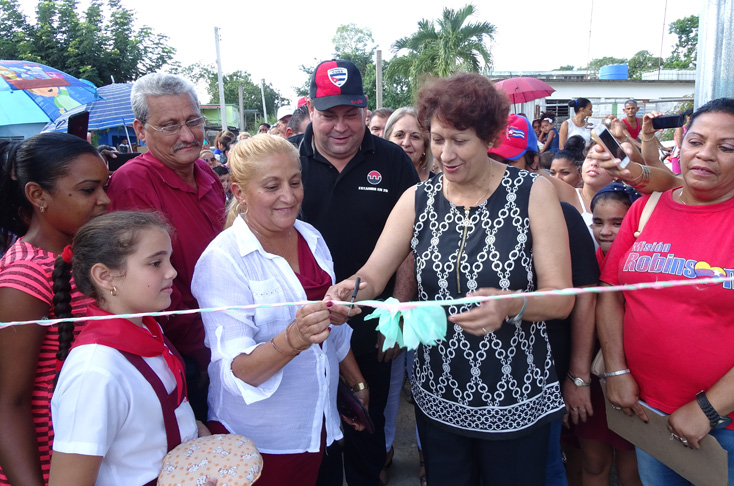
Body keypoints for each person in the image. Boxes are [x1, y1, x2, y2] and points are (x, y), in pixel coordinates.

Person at [328, 72, 574, 485]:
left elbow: (561, 297)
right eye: (437, 138)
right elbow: (372, 274)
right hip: (438, 393)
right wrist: (348, 292)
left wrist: (512, 304)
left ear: (491, 137)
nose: (445, 154)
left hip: (515, 393)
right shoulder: (417, 199)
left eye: (460, 140)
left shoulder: (533, 192)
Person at [191, 135, 366, 486]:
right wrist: (293, 339)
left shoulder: (311, 237)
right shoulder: (222, 262)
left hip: (318, 422)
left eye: (295, 182)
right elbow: (238, 372)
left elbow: (335, 329)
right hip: (263, 438)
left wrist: (355, 381)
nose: (289, 197)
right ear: (239, 192)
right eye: (272, 186)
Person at [597, 98, 734, 485]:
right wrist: (615, 369)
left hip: (725, 427)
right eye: (696, 141)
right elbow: (611, 293)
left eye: (726, 147)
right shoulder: (647, 210)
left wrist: (708, 409)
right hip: (650, 414)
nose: (705, 155)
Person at [300, 59, 419, 486]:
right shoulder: (289, 160)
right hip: (304, 326)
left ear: (365, 110)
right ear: (310, 110)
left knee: (366, 429)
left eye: (351, 113)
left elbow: (409, 246)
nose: (341, 125)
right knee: (315, 437)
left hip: (372, 324)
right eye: (328, 114)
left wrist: (397, 313)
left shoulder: (392, 161)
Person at [48, 212, 204, 486]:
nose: (172, 272)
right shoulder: (95, 372)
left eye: (168, 259)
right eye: (155, 263)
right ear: (105, 277)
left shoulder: (148, 333)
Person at [105, 72, 226, 421]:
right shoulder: (132, 184)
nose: (188, 136)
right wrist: (201, 353)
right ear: (140, 131)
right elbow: (145, 286)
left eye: (193, 121)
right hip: (187, 354)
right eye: (170, 126)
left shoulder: (205, 173)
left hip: (226, 338)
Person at [0, 133, 110, 486]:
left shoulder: (81, 257)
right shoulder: (24, 277)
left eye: (105, 187)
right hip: (49, 470)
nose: (105, 200)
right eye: (88, 190)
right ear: (37, 195)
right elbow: (7, 403)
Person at [569, 183, 642, 486]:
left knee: (631, 467)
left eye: (617, 222)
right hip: (590, 380)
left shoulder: (643, 266)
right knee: (594, 462)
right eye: (598, 222)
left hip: (633, 380)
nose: (605, 231)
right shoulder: (584, 261)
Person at [384, 107, 433, 182]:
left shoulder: (439, 187)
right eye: (399, 135)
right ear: (387, 139)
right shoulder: (375, 181)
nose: (406, 143)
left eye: (415, 137)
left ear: (425, 146)